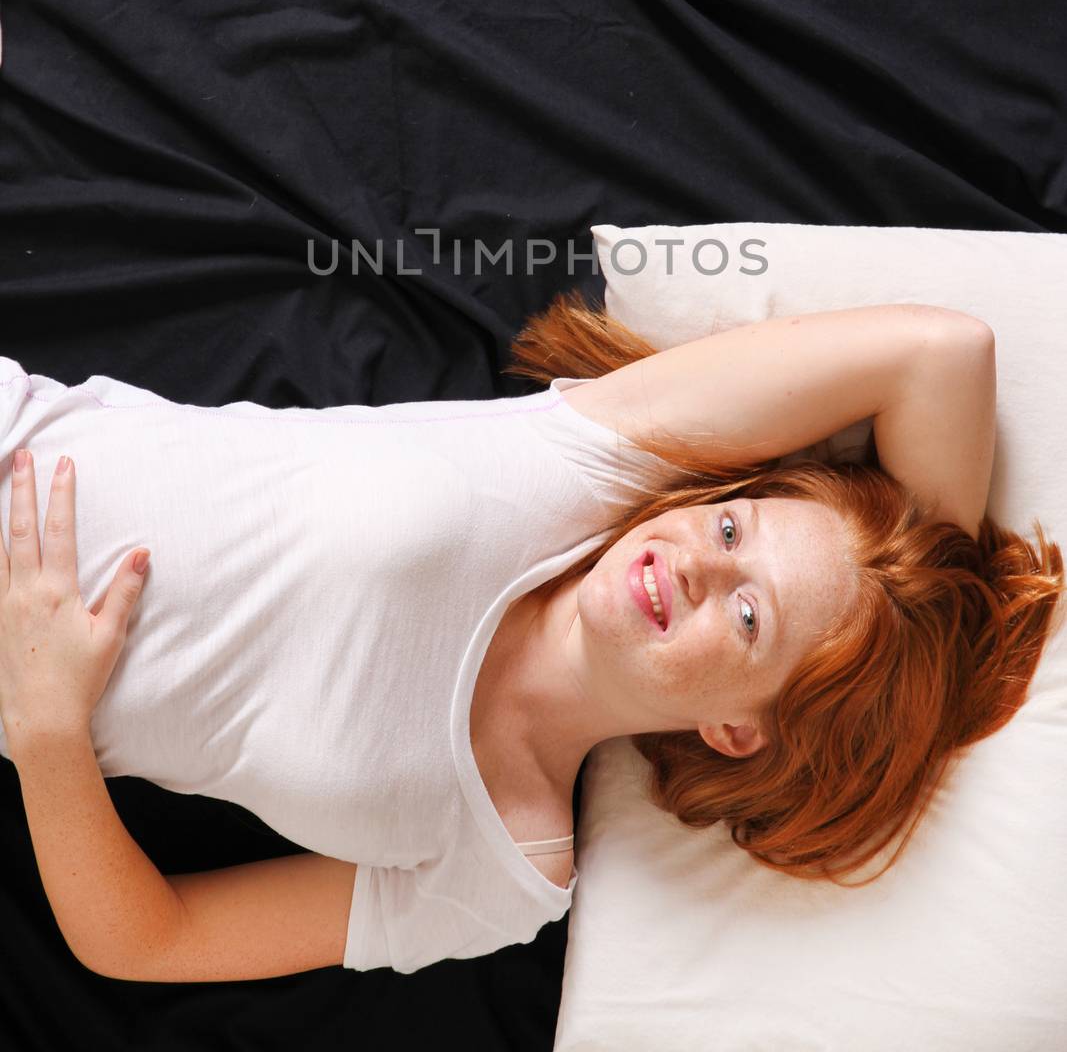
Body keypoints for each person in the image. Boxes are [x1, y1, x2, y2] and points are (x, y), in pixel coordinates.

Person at [0, 298, 1061, 982]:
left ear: (736, 729)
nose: (696, 559)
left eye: (747, 616)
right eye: (730, 525)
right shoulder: (587, 467)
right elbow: (942, 353)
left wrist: (49, 731)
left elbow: (149, 941)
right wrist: (916, 606)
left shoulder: (506, 863)